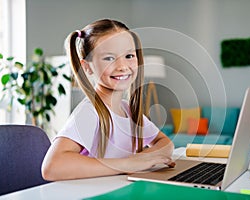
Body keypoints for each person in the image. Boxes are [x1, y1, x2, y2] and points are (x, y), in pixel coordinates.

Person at [41, 19, 175, 181]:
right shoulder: (90, 111)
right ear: (87, 67)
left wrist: (142, 160)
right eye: (109, 58)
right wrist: (129, 164)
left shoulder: (128, 110)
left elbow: (165, 143)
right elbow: (52, 167)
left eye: (129, 56)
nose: (122, 66)